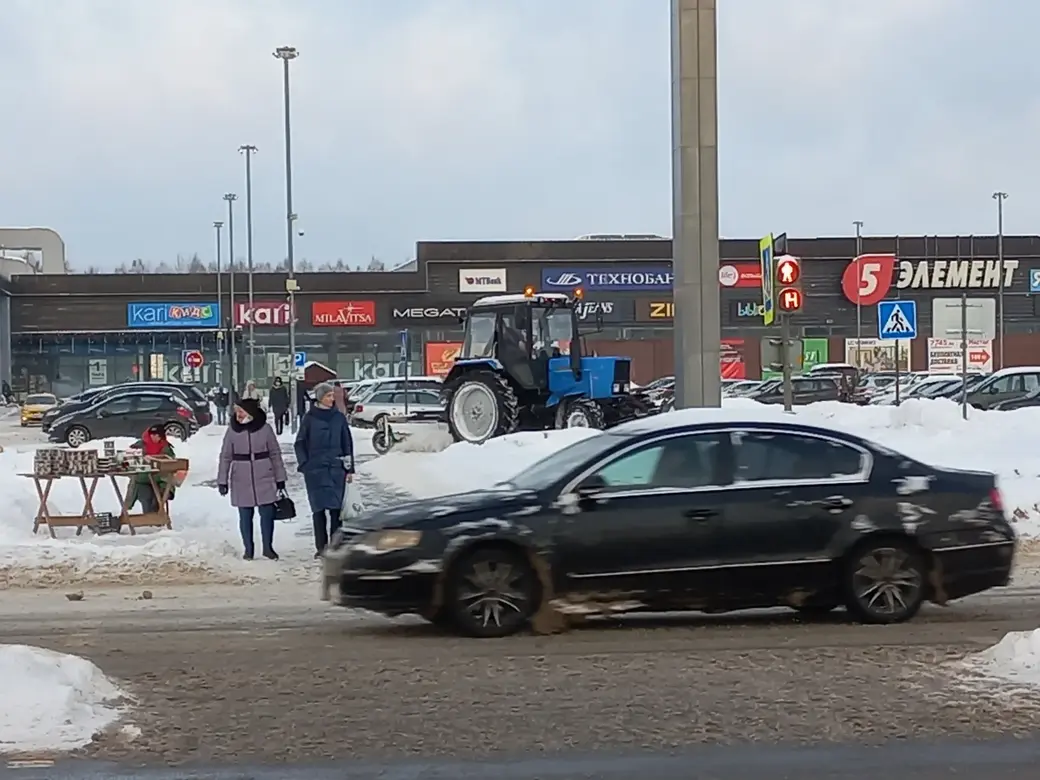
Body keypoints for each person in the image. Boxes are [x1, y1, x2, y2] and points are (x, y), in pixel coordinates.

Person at [217, 397, 287, 561]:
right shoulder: (232, 430)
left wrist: (280, 478)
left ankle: (268, 548)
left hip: (264, 473)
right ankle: (249, 549)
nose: (238, 414)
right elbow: (225, 456)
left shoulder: (265, 429)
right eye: (237, 411)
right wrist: (222, 480)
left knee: (267, 513)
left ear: (250, 412)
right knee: (245, 515)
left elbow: (275, 454)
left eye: (241, 411)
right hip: (241, 476)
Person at [294, 381, 354, 558]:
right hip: (316, 471)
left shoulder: (339, 417)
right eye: (328, 396)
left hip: (336, 468)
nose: (332, 399)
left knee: (337, 511)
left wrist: (350, 469)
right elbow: (300, 443)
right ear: (320, 398)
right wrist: (305, 464)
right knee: (319, 511)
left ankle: (336, 546)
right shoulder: (310, 418)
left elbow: (347, 443)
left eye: (332, 396)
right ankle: (321, 547)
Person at [131, 425, 177, 514]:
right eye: (152, 435)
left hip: (161, 479)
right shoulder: (140, 445)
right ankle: (148, 517)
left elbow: (171, 462)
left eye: (157, 435)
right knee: (145, 496)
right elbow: (130, 457)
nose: (154, 437)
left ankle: (157, 517)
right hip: (142, 479)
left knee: (160, 496)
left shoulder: (165, 447)